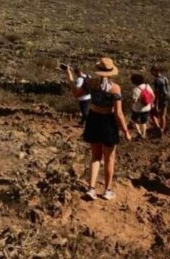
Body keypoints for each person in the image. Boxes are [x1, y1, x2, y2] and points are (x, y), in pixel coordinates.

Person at [65, 57, 132, 201]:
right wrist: (126, 130)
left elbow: (76, 94)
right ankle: (107, 191)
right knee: (109, 158)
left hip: (93, 119)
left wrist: (69, 77)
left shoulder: (90, 83)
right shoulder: (115, 88)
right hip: (108, 122)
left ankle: (91, 189)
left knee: (95, 157)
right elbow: (119, 113)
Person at [130, 73, 155, 139]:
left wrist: (131, 101)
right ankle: (144, 134)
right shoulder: (147, 86)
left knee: (135, 120)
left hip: (137, 109)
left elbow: (134, 100)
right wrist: (151, 103)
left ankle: (139, 133)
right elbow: (153, 95)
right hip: (147, 107)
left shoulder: (135, 89)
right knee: (144, 122)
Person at [150, 66, 170, 134]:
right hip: (166, 98)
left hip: (160, 99)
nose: (151, 73)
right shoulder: (165, 78)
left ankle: (158, 128)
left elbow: (157, 93)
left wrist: (155, 104)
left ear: (154, 71)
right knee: (163, 115)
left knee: (152, 113)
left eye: (152, 72)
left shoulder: (157, 80)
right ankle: (162, 129)